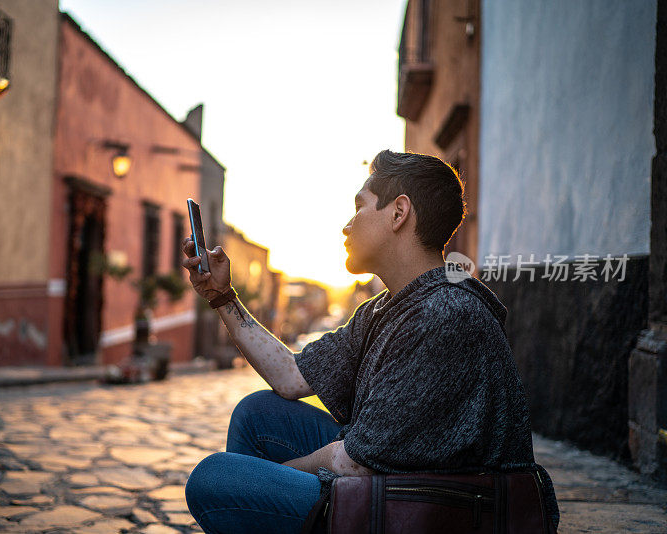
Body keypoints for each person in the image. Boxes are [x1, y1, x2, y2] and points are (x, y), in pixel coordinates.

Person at [181, 150, 559, 534]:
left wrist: (263, 479)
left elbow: (356, 462)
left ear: (399, 213)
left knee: (215, 478)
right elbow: (291, 376)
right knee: (257, 414)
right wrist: (222, 297)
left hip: (436, 509)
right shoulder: (385, 307)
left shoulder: (445, 313)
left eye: (359, 207)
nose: (347, 225)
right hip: (389, 482)